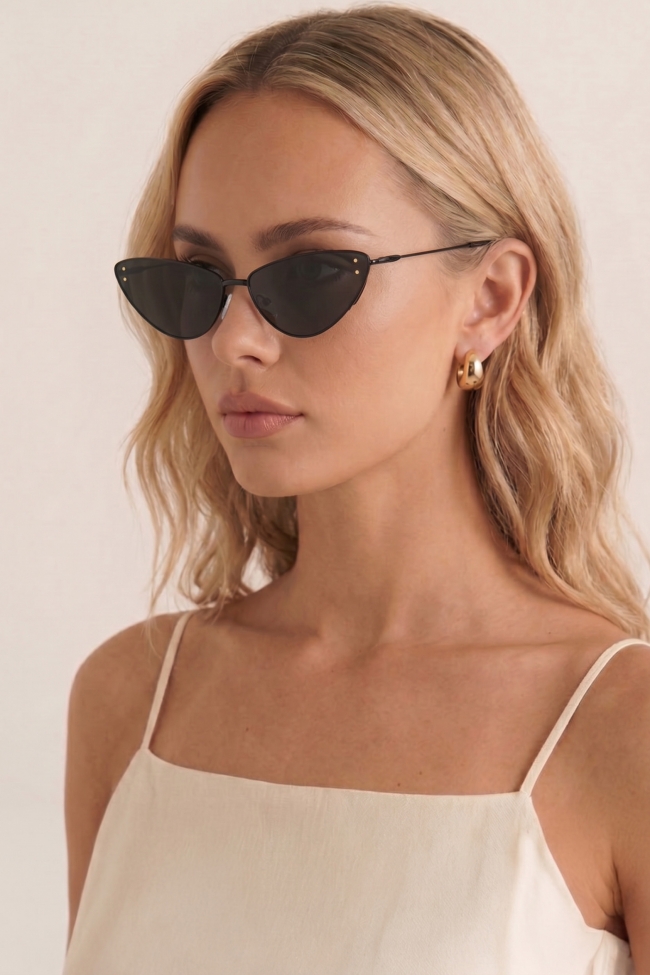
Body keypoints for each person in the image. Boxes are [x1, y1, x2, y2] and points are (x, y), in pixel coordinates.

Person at [61, 5, 650, 973]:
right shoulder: (132, 702)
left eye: (309, 275)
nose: (233, 340)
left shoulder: (620, 729)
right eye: (199, 276)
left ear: (490, 298)